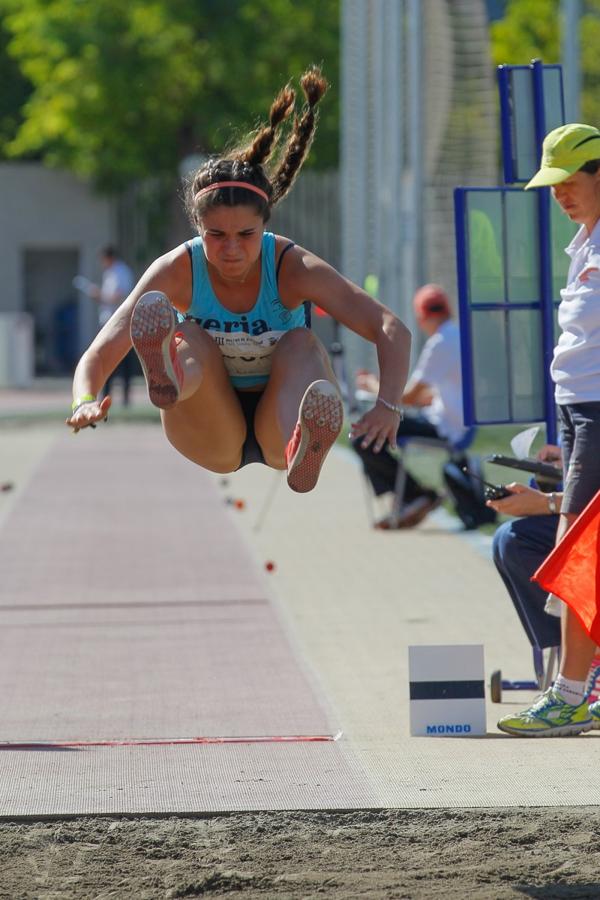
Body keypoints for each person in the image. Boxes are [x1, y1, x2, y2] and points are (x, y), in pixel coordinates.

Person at [65, 68, 411, 494]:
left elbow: (391, 328)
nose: (231, 249)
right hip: (210, 427)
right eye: (216, 236)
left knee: (302, 344)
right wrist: (84, 402)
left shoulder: (290, 265)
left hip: (275, 424)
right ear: (197, 229)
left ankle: (301, 443)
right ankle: (170, 379)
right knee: (189, 335)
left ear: (264, 227)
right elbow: (97, 355)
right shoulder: (178, 268)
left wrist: (389, 405)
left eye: (245, 236)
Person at [497, 123, 600, 737]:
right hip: (579, 407)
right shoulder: (583, 241)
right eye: (551, 184)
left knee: (578, 552)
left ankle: (569, 693)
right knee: (574, 548)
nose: (559, 193)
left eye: (569, 181)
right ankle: (577, 688)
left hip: (598, 408)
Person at [352, 283, 467, 527]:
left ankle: (413, 495)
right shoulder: (457, 335)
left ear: (422, 317)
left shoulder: (440, 342)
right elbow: (440, 391)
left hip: (445, 426)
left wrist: (372, 384)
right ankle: (409, 497)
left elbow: (407, 397)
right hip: (453, 419)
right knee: (372, 432)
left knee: (362, 434)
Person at [87, 247, 136, 405]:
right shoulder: (110, 273)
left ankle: (126, 397)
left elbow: (119, 296)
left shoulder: (122, 272)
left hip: (121, 323)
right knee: (107, 359)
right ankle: (106, 395)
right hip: (108, 321)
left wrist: (99, 295)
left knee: (124, 361)